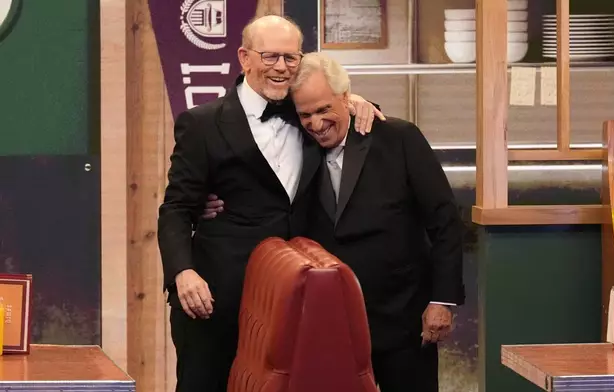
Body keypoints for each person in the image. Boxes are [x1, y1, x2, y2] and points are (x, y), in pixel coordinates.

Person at [205, 52, 465, 391]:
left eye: (324, 109)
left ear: (346, 98)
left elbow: (444, 220)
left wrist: (441, 301)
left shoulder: (398, 138)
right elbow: (253, 118)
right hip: (329, 329)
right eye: (306, 114)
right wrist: (202, 204)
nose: (315, 123)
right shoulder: (297, 146)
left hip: (404, 320)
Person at [157, 15, 382, 392]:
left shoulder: (308, 115)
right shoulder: (202, 123)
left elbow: (333, 105)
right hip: (218, 296)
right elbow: (177, 207)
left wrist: (357, 101)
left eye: (291, 58)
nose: (281, 68)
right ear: (244, 58)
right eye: (270, 56)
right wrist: (183, 272)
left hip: (297, 299)